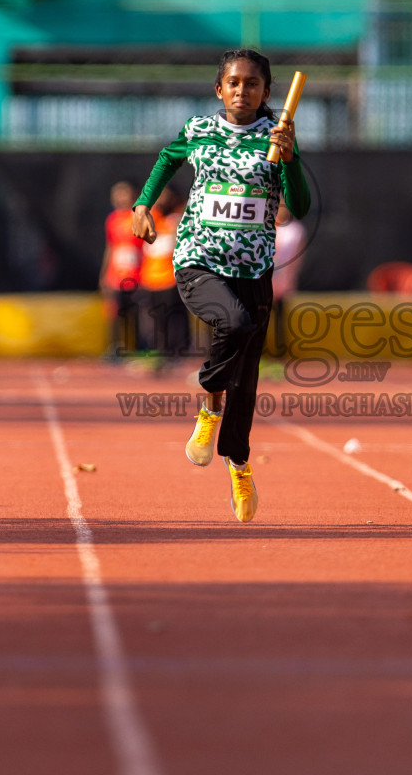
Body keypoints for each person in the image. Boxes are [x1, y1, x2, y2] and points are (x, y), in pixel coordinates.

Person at [133, 48, 311, 522]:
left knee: (247, 380)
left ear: (267, 93)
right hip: (199, 260)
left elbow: (302, 203)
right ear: (219, 89)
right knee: (231, 324)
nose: (242, 90)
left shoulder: (276, 140)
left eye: (252, 84)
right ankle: (208, 407)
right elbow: (167, 159)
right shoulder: (199, 131)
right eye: (233, 82)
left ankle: (239, 463)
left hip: (254, 268)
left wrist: (290, 160)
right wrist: (143, 204)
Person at [138, 187, 187, 360]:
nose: (161, 199)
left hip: (170, 278)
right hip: (151, 278)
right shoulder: (154, 217)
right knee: (155, 319)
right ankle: (159, 351)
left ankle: (176, 352)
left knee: (174, 318)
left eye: (165, 195)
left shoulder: (177, 218)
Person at [100, 181, 145, 359]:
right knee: (114, 314)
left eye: (124, 193)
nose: (120, 197)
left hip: (136, 276)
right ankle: (116, 349)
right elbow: (110, 247)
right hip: (115, 276)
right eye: (116, 193)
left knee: (137, 315)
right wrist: (104, 274)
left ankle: (139, 349)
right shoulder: (112, 219)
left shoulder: (140, 216)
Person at [270, 202, 307, 355]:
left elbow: (295, 257)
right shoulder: (263, 228)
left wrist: (289, 278)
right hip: (262, 279)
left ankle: (280, 351)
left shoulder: (294, 231)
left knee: (279, 315)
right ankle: (259, 351)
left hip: (281, 280)